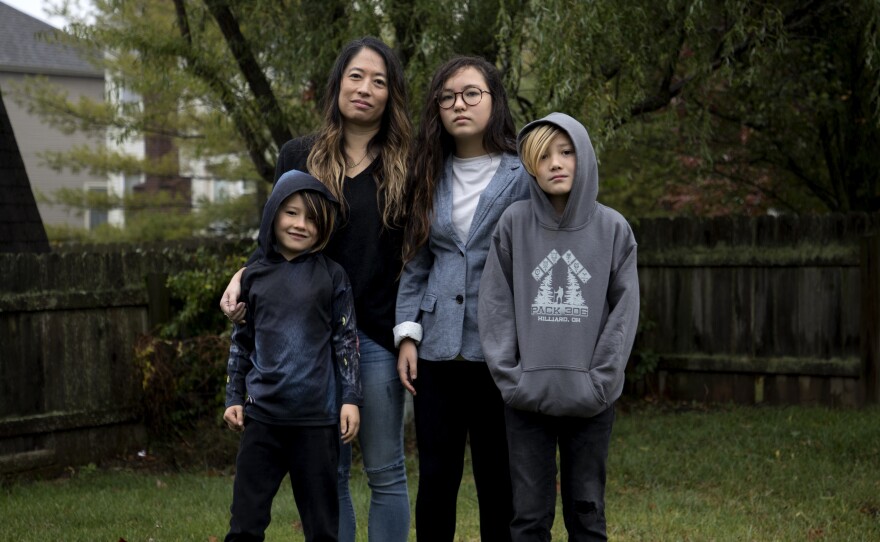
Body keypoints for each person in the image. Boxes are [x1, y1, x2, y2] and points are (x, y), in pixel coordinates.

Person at [220, 37, 411, 542]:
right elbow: (274, 238)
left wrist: (410, 333)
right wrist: (243, 276)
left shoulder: (406, 165)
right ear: (337, 83)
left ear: (391, 95)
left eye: (379, 81)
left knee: (386, 469)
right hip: (307, 339)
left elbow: (419, 257)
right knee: (333, 473)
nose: (365, 89)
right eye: (355, 76)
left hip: (375, 336)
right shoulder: (299, 154)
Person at [477, 112, 640, 541]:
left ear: (583, 157)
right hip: (526, 403)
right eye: (543, 156)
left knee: (587, 517)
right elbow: (495, 305)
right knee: (528, 519)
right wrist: (513, 380)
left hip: (591, 403)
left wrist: (601, 384)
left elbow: (624, 313)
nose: (555, 163)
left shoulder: (613, 229)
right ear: (530, 167)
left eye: (566, 152)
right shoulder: (513, 224)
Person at [394, 55, 530, 541]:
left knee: (499, 479)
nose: (459, 104)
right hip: (436, 350)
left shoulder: (523, 175)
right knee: (436, 478)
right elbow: (417, 260)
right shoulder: (429, 171)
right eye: (448, 97)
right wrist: (407, 333)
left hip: (501, 351)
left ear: (494, 101)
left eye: (472, 93)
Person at [223, 170, 363, 542]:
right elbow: (242, 343)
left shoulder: (332, 276)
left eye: (312, 218)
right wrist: (234, 397)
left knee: (321, 528)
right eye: (291, 213)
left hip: (316, 423)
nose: (301, 224)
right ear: (273, 214)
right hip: (262, 420)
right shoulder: (252, 278)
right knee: (245, 523)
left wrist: (350, 399)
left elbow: (346, 340)